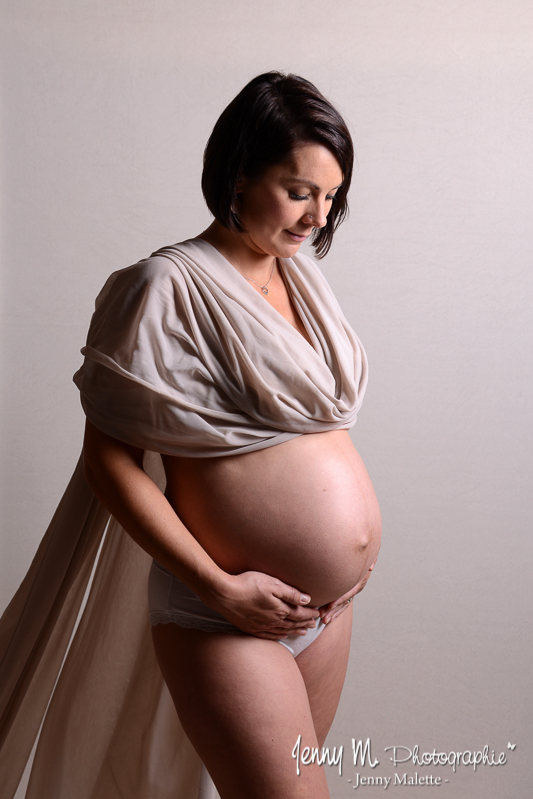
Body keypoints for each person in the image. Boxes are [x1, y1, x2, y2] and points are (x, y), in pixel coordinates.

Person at [0, 72, 381, 799]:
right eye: (298, 190)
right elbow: (107, 463)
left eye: (331, 196)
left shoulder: (301, 280)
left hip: (324, 612)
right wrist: (220, 586)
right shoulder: (161, 286)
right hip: (224, 609)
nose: (316, 216)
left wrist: (346, 559)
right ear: (237, 173)